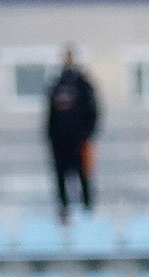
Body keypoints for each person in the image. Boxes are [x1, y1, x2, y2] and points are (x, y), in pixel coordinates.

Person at [45, 47, 100, 223]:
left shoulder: (83, 84)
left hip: (79, 143)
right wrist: (51, 138)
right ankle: (64, 217)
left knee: (83, 178)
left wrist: (86, 135)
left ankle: (88, 217)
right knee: (61, 180)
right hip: (60, 145)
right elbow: (50, 116)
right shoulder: (57, 84)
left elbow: (93, 111)